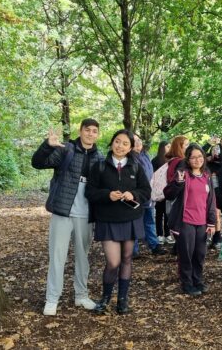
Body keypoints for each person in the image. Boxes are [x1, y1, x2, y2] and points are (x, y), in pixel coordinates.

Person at [31, 119, 102, 316]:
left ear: (98, 135)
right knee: (57, 257)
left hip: (86, 215)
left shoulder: (100, 158)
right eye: (87, 130)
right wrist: (47, 146)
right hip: (63, 212)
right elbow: (37, 163)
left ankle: (81, 295)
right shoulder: (66, 150)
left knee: (83, 257)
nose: (90, 134)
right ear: (80, 131)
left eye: (94, 131)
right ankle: (52, 299)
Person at [85, 129, 152, 315]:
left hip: (130, 219)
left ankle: (122, 300)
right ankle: (105, 298)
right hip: (107, 220)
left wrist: (134, 194)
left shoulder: (136, 166)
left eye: (125, 143)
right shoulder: (99, 166)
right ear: (112, 142)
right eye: (117, 141)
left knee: (127, 259)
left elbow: (146, 191)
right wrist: (107, 195)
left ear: (130, 147)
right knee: (113, 262)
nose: (120, 146)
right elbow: (89, 192)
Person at [164, 144, 217, 296]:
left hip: (202, 222)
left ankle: (197, 279)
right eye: (193, 157)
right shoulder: (183, 174)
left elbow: (211, 200)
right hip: (185, 221)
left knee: (200, 253)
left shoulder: (207, 175)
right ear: (187, 159)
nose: (197, 160)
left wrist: (212, 222)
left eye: (200, 156)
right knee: (186, 253)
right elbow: (168, 194)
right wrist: (178, 183)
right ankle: (187, 282)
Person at [133, 134, 168, 256]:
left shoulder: (145, 155)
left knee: (149, 220)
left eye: (139, 140)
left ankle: (154, 245)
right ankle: (133, 250)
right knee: (136, 222)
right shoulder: (130, 157)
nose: (138, 143)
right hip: (136, 195)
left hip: (148, 194)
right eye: (134, 140)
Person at [162, 135, 190, 245]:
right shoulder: (181, 161)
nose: (188, 147)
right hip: (178, 198)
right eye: (186, 145)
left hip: (171, 196)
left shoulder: (171, 160)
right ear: (180, 147)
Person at [152, 141, 171, 245]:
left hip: (168, 191)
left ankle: (167, 234)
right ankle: (159, 234)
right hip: (159, 191)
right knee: (159, 214)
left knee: (167, 213)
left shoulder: (171, 160)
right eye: (168, 146)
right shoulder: (155, 160)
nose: (170, 148)